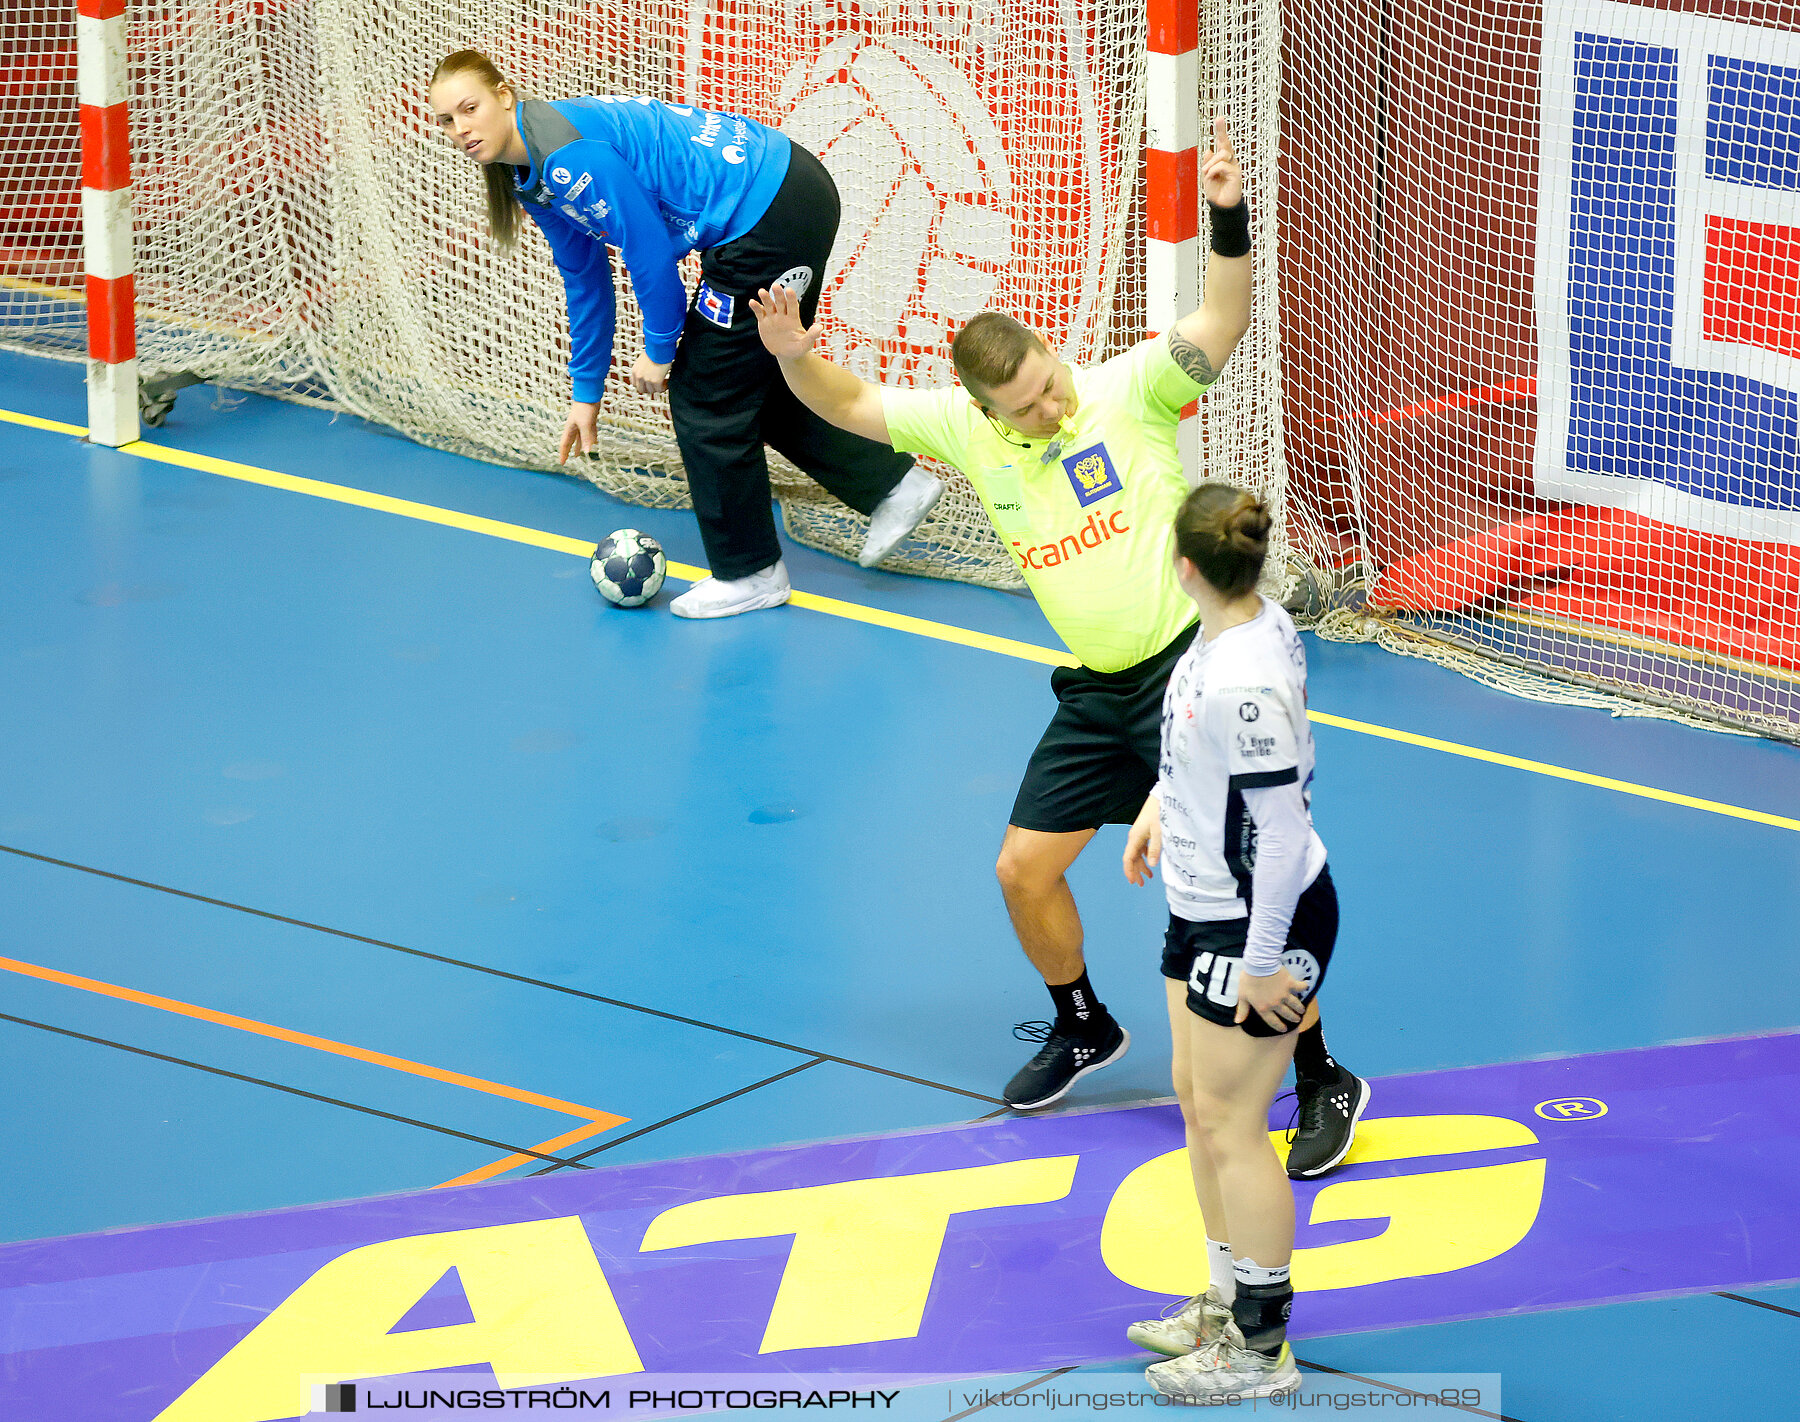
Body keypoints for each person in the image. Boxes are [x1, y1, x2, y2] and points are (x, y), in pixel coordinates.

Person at [752, 118, 1368, 1171]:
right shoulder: (961, 425)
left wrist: (1227, 208)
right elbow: (846, 401)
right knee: (1021, 870)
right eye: (1029, 404)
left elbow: (1222, 315)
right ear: (991, 412)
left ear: (1049, 348)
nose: (1052, 401)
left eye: (1050, 378)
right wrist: (793, 355)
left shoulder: (1130, 389)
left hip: (1192, 679)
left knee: (1229, 892)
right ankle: (1083, 1022)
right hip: (1095, 695)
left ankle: (1322, 1079)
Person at [427, 51, 944, 617]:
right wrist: (586, 392)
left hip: (769, 212)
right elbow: (585, 277)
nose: (461, 130)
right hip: (784, 194)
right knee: (741, 379)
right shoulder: (530, 174)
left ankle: (751, 572)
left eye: (469, 109)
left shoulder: (570, 155)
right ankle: (895, 485)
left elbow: (648, 252)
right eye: (447, 121)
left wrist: (659, 347)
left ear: (504, 96)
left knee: (703, 393)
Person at [1119, 482, 1338, 1402]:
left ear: (1183, 567)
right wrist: (1158, 805)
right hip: (1202, 905)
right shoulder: (1243, 626)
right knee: (1197, 1103)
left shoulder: (1244, 679)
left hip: (1256, 924)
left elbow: (1281, 836)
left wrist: (1259, 963)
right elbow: (1199, 761)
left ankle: (1259, 1347)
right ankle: (1222, 1295)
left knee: (1236, 1127)